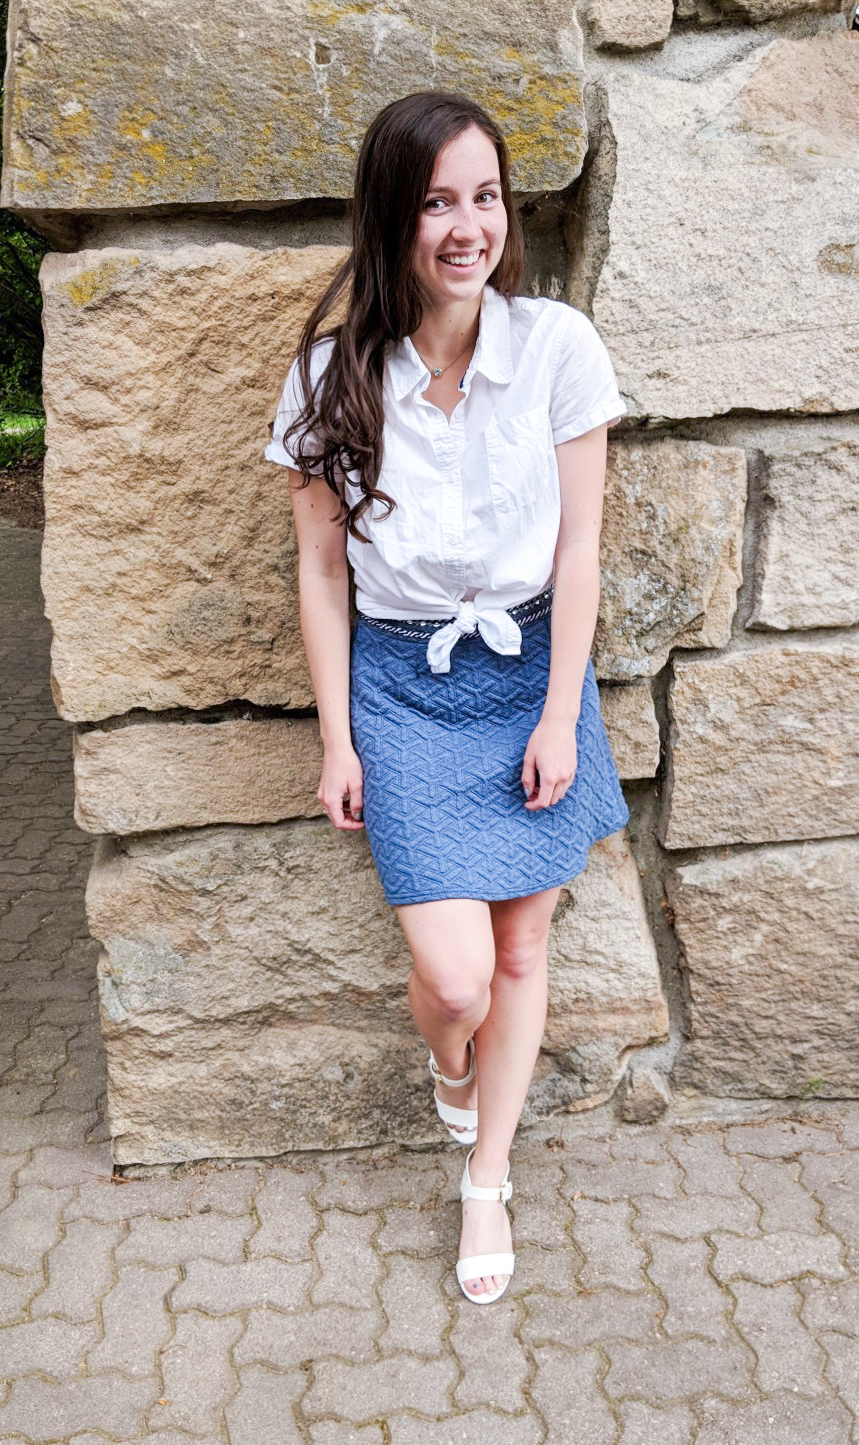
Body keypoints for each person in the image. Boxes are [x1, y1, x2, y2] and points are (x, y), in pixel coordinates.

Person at [265, 90, 629, 1305]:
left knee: (520, 943)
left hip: (533, 667)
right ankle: (453, 1066)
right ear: (391, 219)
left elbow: (578, 549)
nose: (467, 227)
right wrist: (336, 738)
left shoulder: (557, 350)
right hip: (406, 688)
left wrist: (555, 711)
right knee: (457, 980)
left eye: (484, 196)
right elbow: (323, 570)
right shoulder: (330, 375)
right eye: (435, 201)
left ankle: (486, 1176)